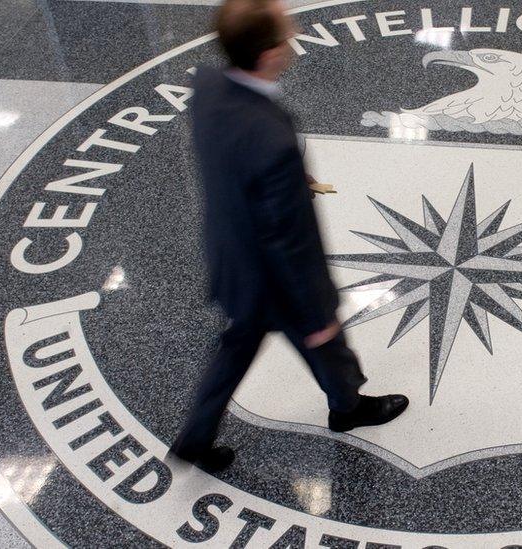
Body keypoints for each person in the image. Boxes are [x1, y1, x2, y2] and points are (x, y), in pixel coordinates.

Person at [170, 0, 408, 473]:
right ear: (268, 54)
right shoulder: (270, 141)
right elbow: (289, 238)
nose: (293, 35)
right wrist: (316, 308)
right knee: (325, 338)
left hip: (231, 256)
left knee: (236, 348)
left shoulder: (209, 86)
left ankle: (194, 438)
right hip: (273, 276)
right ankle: (348, 408)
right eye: (285, 32)